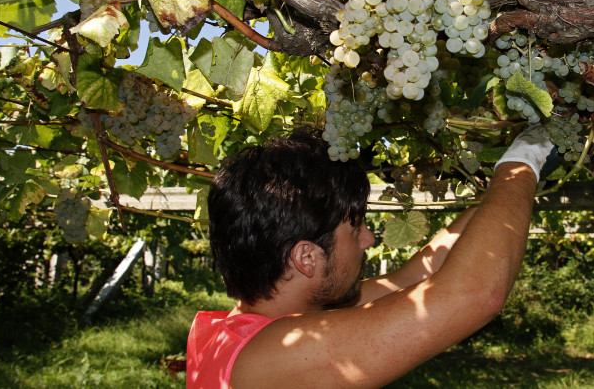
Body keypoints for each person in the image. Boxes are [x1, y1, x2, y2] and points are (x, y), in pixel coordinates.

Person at [187, 126, 554, 388]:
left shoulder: (229, 333)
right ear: (306, 258)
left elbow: (415, 278)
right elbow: (472, 295)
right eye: (355, 227)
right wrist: (521, 163)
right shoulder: (269, 359)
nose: (369, 238)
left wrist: (506, 190)